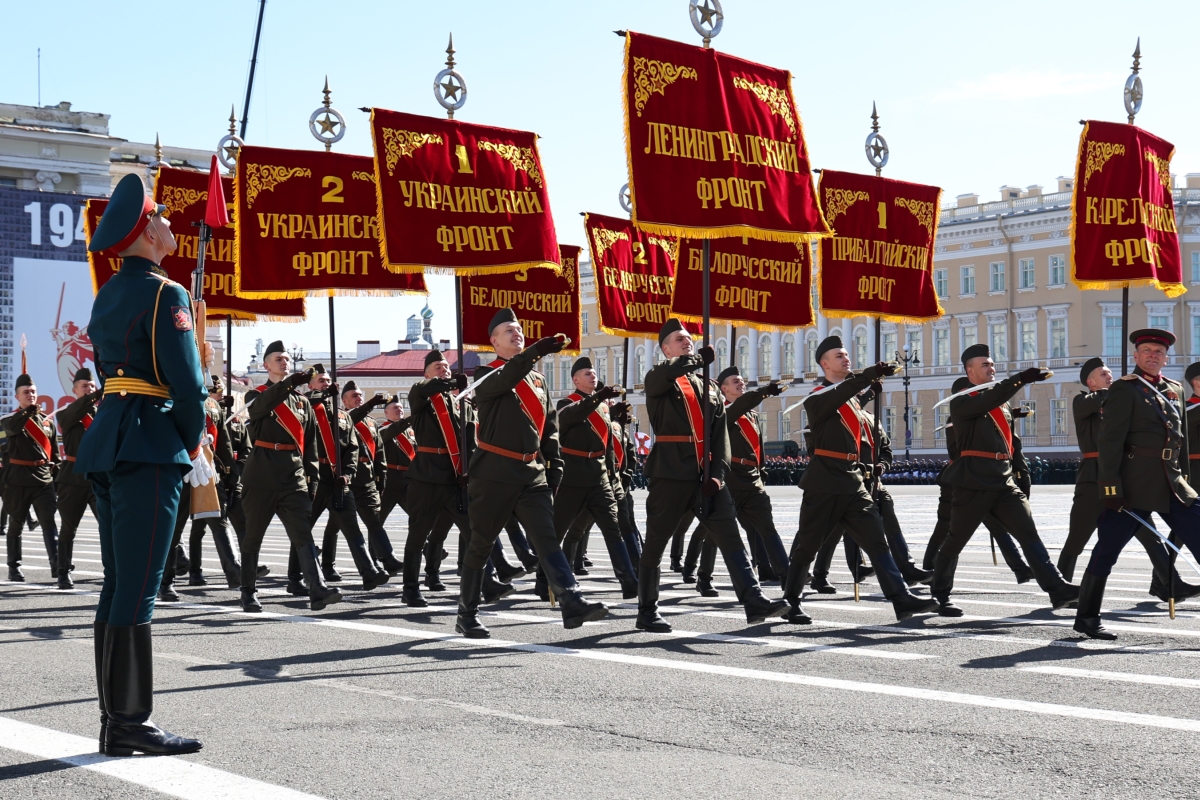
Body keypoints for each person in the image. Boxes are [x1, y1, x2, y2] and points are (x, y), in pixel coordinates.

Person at [77, 172, 208, 755]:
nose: (170, 223)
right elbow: (190, 386)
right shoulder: (167, 293)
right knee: (140, 588)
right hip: (149, 442)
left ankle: (116, 721)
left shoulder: (108, 293)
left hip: (110, 438)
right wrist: (191, 443)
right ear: (148, 231)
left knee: (118, 584)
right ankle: (130, 723)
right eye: (162, 216)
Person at [457, 308, 607, 637]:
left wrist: (555, 467)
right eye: (509, 331)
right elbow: (507, 378)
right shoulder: (485, 374)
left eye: (519, 330)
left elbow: (549, 428)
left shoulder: (538, 380)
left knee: (547, 539)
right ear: (494, 341)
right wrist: (535, 351)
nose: (517, 334)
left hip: (532, 473)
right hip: (494, 472)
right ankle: (467, 614)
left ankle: (572, 600)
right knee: (481, 544)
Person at [636, 319, 788, 633]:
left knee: (730, 537)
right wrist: (695, 360)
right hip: (671, 474)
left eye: (689, 338)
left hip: (706, 476)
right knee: (656, 543)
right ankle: (647, 609)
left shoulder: (709, 387)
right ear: (666, 349)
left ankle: (754, 600)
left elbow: (720, 437)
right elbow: (663, 377)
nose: (687, 341)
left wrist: (718, 474)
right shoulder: (659, 376)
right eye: (679, 339)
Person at [780, 336, 936, 624]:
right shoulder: (815, 397)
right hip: (825, 483)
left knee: (877, 543)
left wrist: (870, 386)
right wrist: (868, 376)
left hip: (853, 481)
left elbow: (853, 400)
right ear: (824, 364)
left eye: (847, 354)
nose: (846, 358)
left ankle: (901, 599)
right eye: (839, 356)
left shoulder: (851, 400)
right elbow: (840, 395)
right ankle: (791, 601)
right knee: (808, 547)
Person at [930, 344, 1077, 617]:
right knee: (955, 540)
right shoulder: (962, 401)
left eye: (992, 364)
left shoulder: (1001, 402)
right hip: (974, 482)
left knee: (1028, 534)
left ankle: (1058, 589)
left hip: (1003, 480)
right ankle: (940, 595)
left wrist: (1021, 474)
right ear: (970, 371)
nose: (991, 368)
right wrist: (1020, 379)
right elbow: (988, 400)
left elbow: (1011, 442)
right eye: (985, 365)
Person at [1075, 330, 1200, 639]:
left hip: (1171, 483)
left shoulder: (1174, 389)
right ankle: (1087, 617)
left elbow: (1181, 441)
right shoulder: (1124, 389)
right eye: (1147, 350)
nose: (1153, 355)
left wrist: (1184, 480)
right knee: (1107, 550)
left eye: (1158, 351)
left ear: (1166, 358)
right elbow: (1109, 441)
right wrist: (1110, 488)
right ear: (1136, 355)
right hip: (1133, 487)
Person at [1057, 357, 1193, 600]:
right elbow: (1098, 403)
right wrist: (1124, 387)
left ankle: (1171, 584)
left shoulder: (1124, 395)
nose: (1109, 376)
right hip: (1093, 478)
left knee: (1149, 533)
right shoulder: (1083, 400)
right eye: (1103, 374)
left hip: (1123, 476)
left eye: (1110, 373)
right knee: (1078, 537)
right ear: (1090, 382)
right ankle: (1061, 589)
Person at [238, 344, 341, 613]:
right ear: (266, 366)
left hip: (293, 476)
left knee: (302, 534)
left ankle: (317, 589)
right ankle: (248, 591)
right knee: (253, 537)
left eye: (286, 358)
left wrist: (313, 480)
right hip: (261, 475)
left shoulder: (302, 401)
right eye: (278, 359)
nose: (284, 362)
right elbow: (259, 409)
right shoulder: (255, 394)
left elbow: (311, 444)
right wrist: (289, 383)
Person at [682, 366, 790, 597]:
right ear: (723, 389)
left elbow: (757, 448)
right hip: (729, 479)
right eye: (735, 381)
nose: (741, 383)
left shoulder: (751, 415)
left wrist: (761, 471)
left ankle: (788, 579)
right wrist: (764, 391)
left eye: (742, 380)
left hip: (752, 479)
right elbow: (738, 408)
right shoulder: (723, 412)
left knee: (767, 528)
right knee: (717, 533)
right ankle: (704, 578)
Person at [921, 377, 1030, 584]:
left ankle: (1020, 568)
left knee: (997, 526)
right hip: (959, 480)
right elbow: (958, 451)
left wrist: (1010, 415)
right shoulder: (958, 417)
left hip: (978, 479)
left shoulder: (979, 414)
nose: (978, 396)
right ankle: (929, 569)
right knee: (945, 528)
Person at [297, 366, 389, 594]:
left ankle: (368, 572)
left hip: (338, 479)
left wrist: (347, 473)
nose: (326, 384)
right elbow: (308, 405)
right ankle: (295, 577)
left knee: (351, 527)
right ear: (310, 385)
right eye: (321, 380)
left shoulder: (340, 415)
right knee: (303, 529)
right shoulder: (305, 406)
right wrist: (323, 395)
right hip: (315, 477)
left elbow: (352, 447)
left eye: (328, 380)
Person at [552, 357, 638, 599]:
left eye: (594, 373)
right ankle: (543, 580)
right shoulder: (566, 403)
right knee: (558, 531)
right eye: (587, 374)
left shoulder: (602, 407)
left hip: (599, 477)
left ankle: (629, 581)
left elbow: (607, 445)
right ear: (575, 380)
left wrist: (613, 476)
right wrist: (599, 398)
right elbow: (572, 416)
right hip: (573, 477)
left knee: (613, 529)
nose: (593, 376)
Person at [318, 381, 404, 579]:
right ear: (344, 401)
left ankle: (385, 560)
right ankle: (328, 565)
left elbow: (379, 451)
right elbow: (351, 419)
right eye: (354, 396)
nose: (359, 398)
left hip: (366, 478)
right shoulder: (342, 417)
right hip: (346, 477)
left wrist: (381, 478)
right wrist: (371, 404)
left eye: (360, 395)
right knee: (334, 525)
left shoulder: (371, 422)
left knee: (374, 520)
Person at [183, 377, 244, 588]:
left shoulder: (213, 406)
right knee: (177, 527)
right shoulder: (180, 398)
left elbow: (224, 443)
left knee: (216, 520)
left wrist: (231, 472)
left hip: (208, 470)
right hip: (183, 469)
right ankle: (168, 578)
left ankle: (234, 572)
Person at [3, 374, 61, 582]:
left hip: (43, 480)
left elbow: (55, 455)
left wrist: (57, 479)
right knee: (16, 524)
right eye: (26, 392)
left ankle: (57, 565)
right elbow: (13, 428)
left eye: (33, 392)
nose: (31, 395)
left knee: (49, 522)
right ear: (17, 397)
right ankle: (14, 567)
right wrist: (27, 412)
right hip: (18, 481)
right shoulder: (9, 419)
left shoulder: (47, 421)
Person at [54, 367, 101, 589]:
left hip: (97, 477)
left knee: (108, 525)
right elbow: (73, 415)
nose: (89, 389)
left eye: (92, 386)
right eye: (84, 386)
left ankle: (112, 570)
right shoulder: (66, 412)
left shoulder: (102, 414)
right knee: (68, 528)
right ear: (74, 390)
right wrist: (96, 395)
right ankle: (63, 571)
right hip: (72, 478)